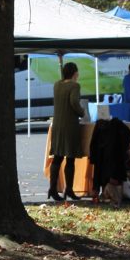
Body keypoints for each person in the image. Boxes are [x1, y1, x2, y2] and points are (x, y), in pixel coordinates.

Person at [48, 62, 86, 202]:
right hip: (70, 125)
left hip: (57, 124)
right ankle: (68, 189)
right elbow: (74, 102)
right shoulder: (74, 86)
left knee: (57, 157)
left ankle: (52, 188)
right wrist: (82, 113)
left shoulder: (57, 84)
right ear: (75, 73)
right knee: (70, 158)